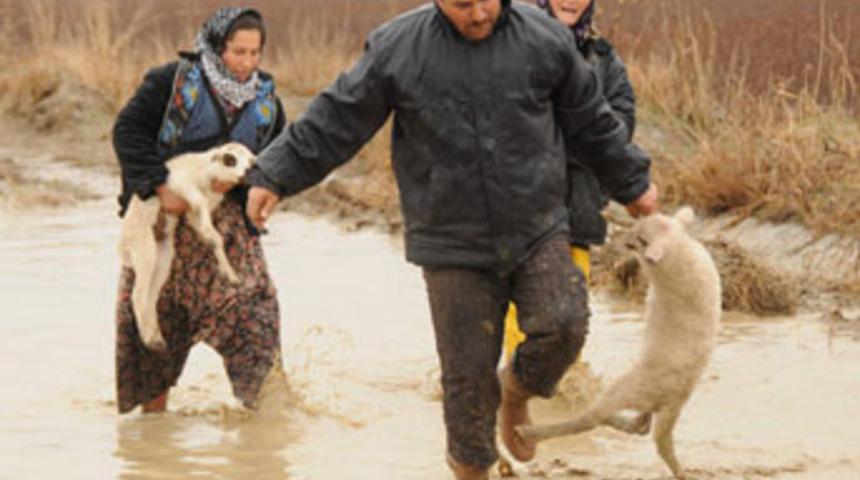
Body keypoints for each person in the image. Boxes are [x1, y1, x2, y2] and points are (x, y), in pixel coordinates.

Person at [246, 1, 657, 478]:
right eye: (463, 5)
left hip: (536, 225)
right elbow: (336, 119)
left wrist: (632, 182)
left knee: (565, 323)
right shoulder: (397, 47)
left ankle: (518, 394)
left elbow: (591, 121)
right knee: (466, 389)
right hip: (451, 241)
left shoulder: (545, 39)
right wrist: (275, 173)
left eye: (487, 1)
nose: (479, 15)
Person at [112, 7, 287, 415]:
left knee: (253, 320)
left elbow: (280, 156)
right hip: (162, 219)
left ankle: (259, 433)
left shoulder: (267, 104)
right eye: (237, 52)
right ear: (215, 45)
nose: (246, 64)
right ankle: (152, 445)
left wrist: (267, 190)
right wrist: (158, 184)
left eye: (254, 53)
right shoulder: (169, 82)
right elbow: (127, 132)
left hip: (225, 232)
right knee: (152, 328)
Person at [503, 0, 638, 357]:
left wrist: (574, 134)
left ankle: (556, 397)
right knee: (521, 326)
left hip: (577, 213)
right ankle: (521, 403)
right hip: (518, 215)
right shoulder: (512, 45)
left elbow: (620, 127)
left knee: (570, 322)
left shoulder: (605, 59)